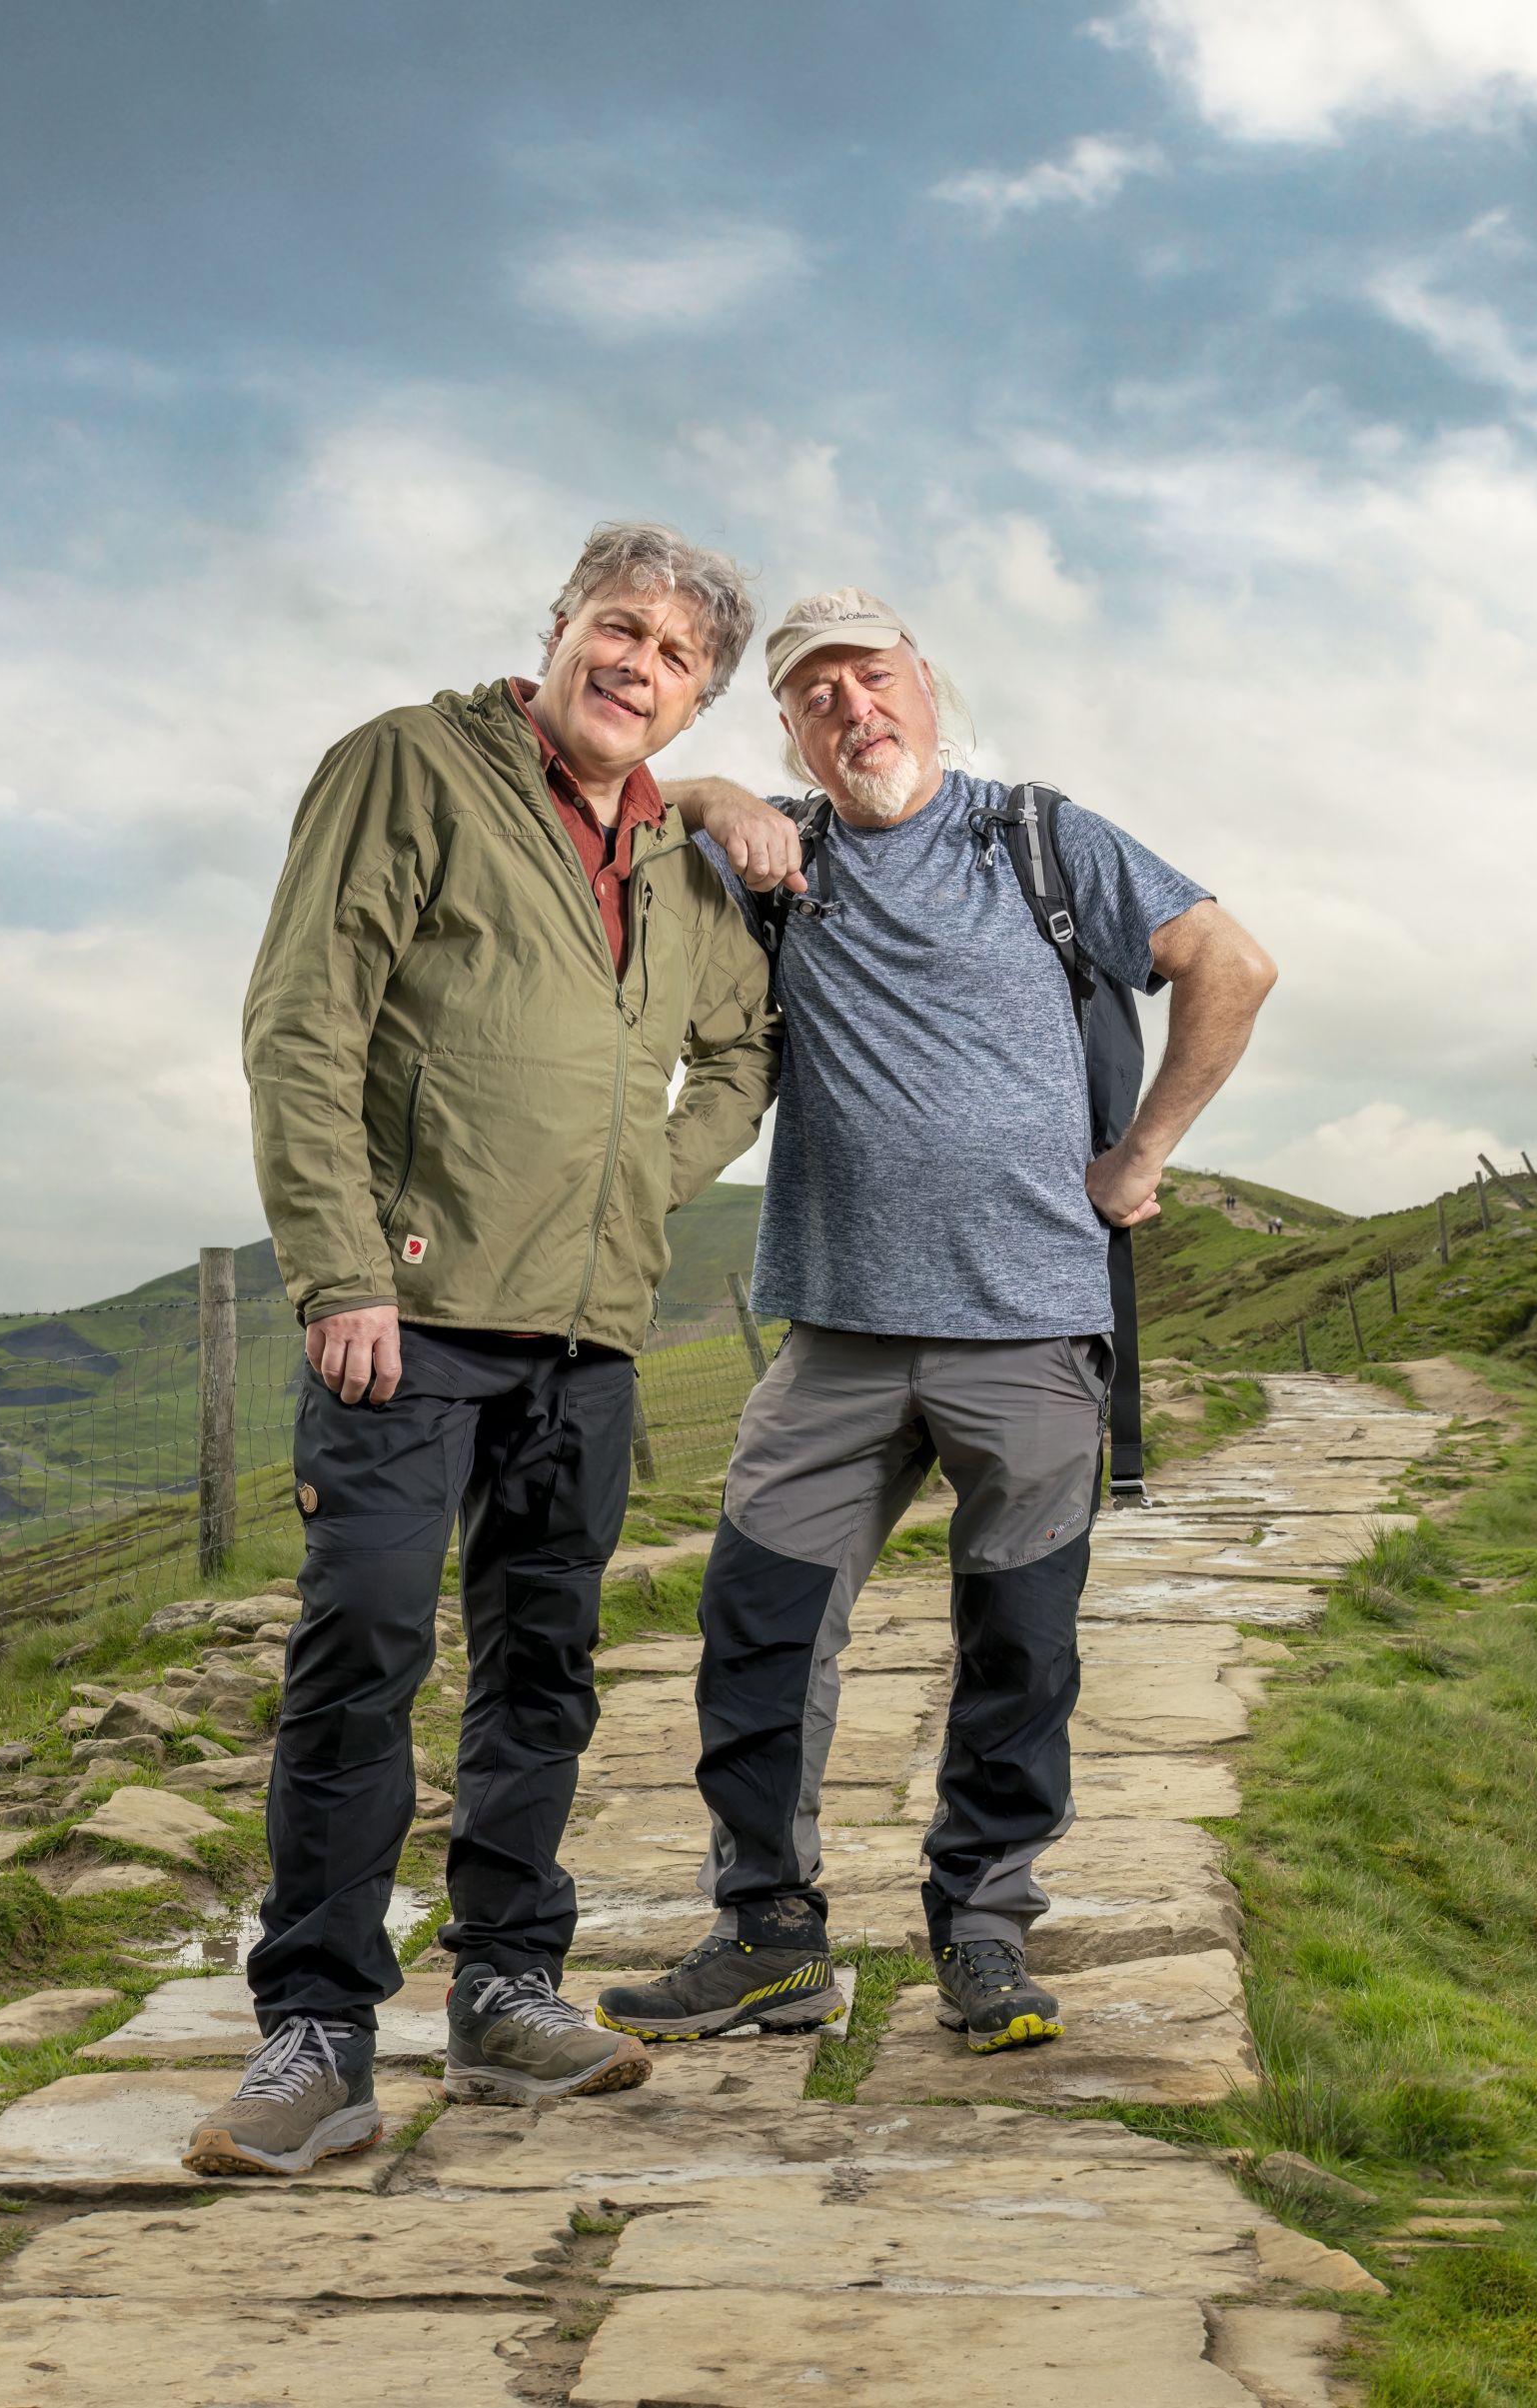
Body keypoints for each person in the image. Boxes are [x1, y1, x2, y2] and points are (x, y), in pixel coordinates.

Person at [591, 587, 1273, 2055]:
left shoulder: (1040, 839)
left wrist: (1142, 1155)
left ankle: (981, 1929)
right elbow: (620, 809)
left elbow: (1234, 963)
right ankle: (768, 1933)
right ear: (789, 727)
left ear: (927, 685)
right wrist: (708, 789)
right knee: (758, 1624)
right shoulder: (776, 857)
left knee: (1019, 1642)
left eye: (873, 677)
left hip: (1028, 1323)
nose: (854, 710)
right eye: (816, 694)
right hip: (835, 1331)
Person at [194, 524, 777, 2178]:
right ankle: (316, 2030)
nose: (636, 664)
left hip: (584, 1340)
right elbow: (302, 1018)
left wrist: (634, 1196)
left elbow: (741, 1056)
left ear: (692, 700)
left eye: (673, 655)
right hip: (408, 1318)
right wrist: (338, 1267)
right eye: (619, 625)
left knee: (543, 1669)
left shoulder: (684, 859)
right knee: (362, 1650)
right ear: (560, 627)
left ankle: (510, 1985)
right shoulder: (409, 766)